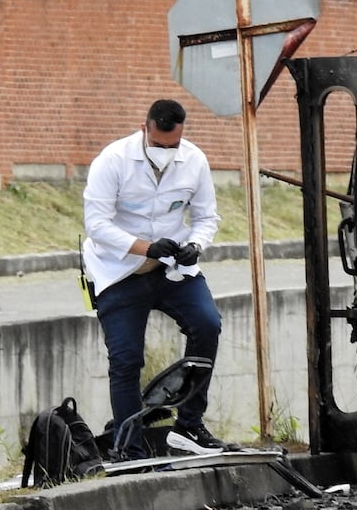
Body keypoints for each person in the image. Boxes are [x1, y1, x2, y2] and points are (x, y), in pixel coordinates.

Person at [82, 99, 230, 459]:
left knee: (207, 324)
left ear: (182, 135)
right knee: (126, 359)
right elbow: (97, 225)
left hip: (173, 268)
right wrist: (144, 247)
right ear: (145, 127)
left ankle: (189, 427)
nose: (166, 151)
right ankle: (129, 449)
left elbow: (208, 217)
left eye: (173, 145)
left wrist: (196, 244)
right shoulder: (113, 160)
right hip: (120, 270)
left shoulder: (194, 160)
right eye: (159, 145)